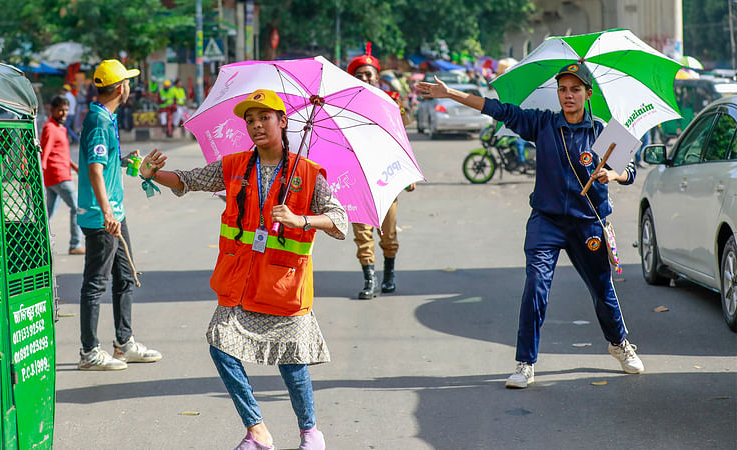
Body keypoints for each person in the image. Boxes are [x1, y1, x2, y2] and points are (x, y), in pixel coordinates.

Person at [139, 89, 347, 450]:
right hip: (239, 282)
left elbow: (340, 219)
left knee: (292, 362)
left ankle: (310, 432)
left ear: (283, 122)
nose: (255, 126)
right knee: (220, 346)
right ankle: (257, 430)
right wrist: (154, 174)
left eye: (264, 118)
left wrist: (302, 219)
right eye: (249, 120)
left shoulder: (309, 173)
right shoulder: (234, 165)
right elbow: (191, 179)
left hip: (284, 285)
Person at [418, 63, 644, 388]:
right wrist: (449, 93)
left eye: (575, 90)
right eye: (563, 90)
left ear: (588, 94)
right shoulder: (542, 124)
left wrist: (614, 174)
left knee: (602, 291)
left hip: (587, 224)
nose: (568, 96)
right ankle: (525, 363)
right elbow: (498, 109)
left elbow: (631, 170)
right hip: (547, 222)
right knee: (536, 286)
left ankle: (619, 344)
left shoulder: (604, 131)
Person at [76, 59, 161, 371]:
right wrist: (108, 213)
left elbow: (104, 162)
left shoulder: (106, 117)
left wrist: (124, 160)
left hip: (114, 214)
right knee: (95, 283)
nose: (130, 87)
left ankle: (124, 343)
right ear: (120, 88)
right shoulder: (98, 122)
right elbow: (95, 170)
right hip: (102, 217)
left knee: (125, 276)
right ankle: (89, 352)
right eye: (128, 82)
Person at [346, 43, 415, 300]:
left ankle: (389, 275)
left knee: (388, 231)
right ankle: (369, 280)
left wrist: (408, 174)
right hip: (355, 176)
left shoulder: (391, 103)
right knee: (361, 232)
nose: (364, 78)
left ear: (377, 77)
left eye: (368, 74)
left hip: (386, 175)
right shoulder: (342, 106)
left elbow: (401, 138)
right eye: (359, 75)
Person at [40, 95, 84, 255]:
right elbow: (45, 152)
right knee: (78, 207)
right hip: (57, 175)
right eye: (60, 110)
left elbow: (61, 153)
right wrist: (40, 171)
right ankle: (75, 244)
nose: (64, 114)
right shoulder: (50, 128)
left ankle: (36, 243)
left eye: (66, 110)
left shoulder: (61, 128)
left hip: (60, 174)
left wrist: (74, 166)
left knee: (48, 212)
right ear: (52, 111)